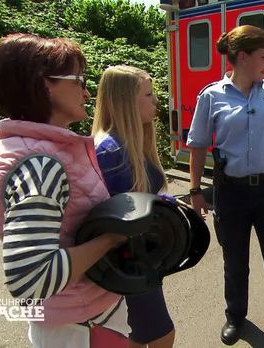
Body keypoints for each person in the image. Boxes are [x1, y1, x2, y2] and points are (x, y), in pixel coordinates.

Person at [0, 33, 129, 347]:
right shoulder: (41, 165)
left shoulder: (34, 149)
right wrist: (111, 239)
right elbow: (32, 278)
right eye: (78, 80)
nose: (87, 93)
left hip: (79, 318)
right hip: (78, 326)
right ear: (45, 84)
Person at [187, 25, 264, 345]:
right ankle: (235, 316)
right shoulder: (212, 96)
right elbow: (197, 145)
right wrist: (196, 190)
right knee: (235, 261)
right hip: (231, 193)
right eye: (263, 57)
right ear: (242, 57)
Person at [92, 65, 175, 348]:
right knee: (161, 335)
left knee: (139, 337)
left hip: (142, 258)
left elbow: (138, 198)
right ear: (125, 101)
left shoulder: (134, 142)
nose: (156, 102)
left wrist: (164, 205)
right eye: (149, 95)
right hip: (127, 263)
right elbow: (103, 217)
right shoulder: (110, 152)